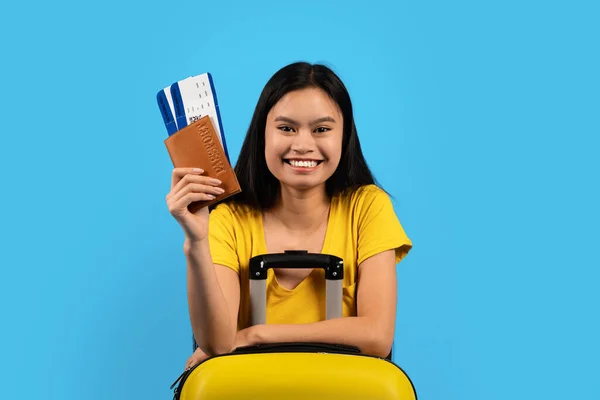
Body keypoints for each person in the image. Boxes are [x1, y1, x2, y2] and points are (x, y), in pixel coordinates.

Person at [166, 62, 413, 370]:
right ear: (262, 135)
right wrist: (196, 241)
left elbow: (377, 336)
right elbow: (217, 343)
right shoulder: (230, 219)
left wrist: (256, 335)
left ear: (344, 136)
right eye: (286, 128)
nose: (303, 145)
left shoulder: (368, 207)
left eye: (321, 129)